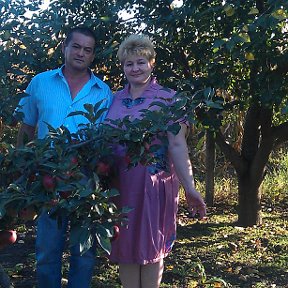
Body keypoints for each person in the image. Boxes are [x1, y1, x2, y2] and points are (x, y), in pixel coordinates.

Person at [15, 26, 113, 288]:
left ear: (93, 55)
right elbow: (26, 128)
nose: (81, 53)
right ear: (64, 48)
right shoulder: (40, 82)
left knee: (84, 251)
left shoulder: (103, 92)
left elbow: (106, 141)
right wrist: (23, 168)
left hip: (85, 180)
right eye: (76, 47)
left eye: (88, 50)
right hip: (48, 177)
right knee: (47, 249)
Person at [106, 34, 207, 288]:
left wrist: (190, 187)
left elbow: (177, 145)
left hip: (153, 184)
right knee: (125, 245)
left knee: (152, 247)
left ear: (152, 63)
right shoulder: (113, 99)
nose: (135, 68)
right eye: (129, 64)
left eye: (141, 62)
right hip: (119, 186)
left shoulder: (169, 99)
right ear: (123, 67)